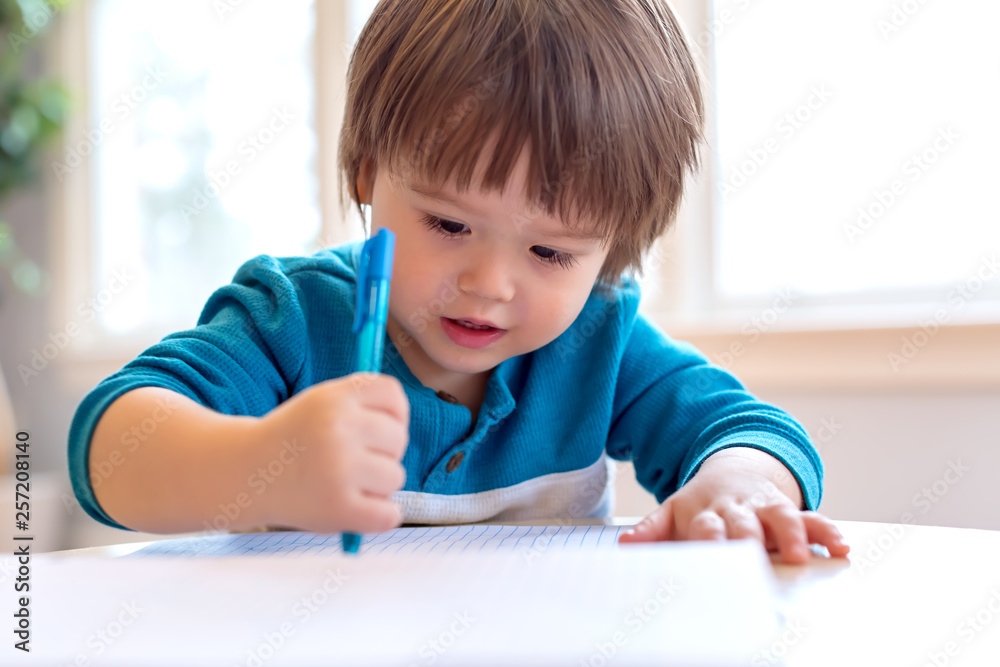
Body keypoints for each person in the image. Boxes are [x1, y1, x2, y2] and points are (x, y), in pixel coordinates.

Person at [68, 0, 849, 564]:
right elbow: (107, 446)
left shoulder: (600, 342)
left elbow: (754, 432)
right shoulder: (293, 321)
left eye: (552, 253)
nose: (489, 284)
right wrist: (262, 464)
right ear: (370, 169)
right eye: (448, 225)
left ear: (611, 245)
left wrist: (739, 483)